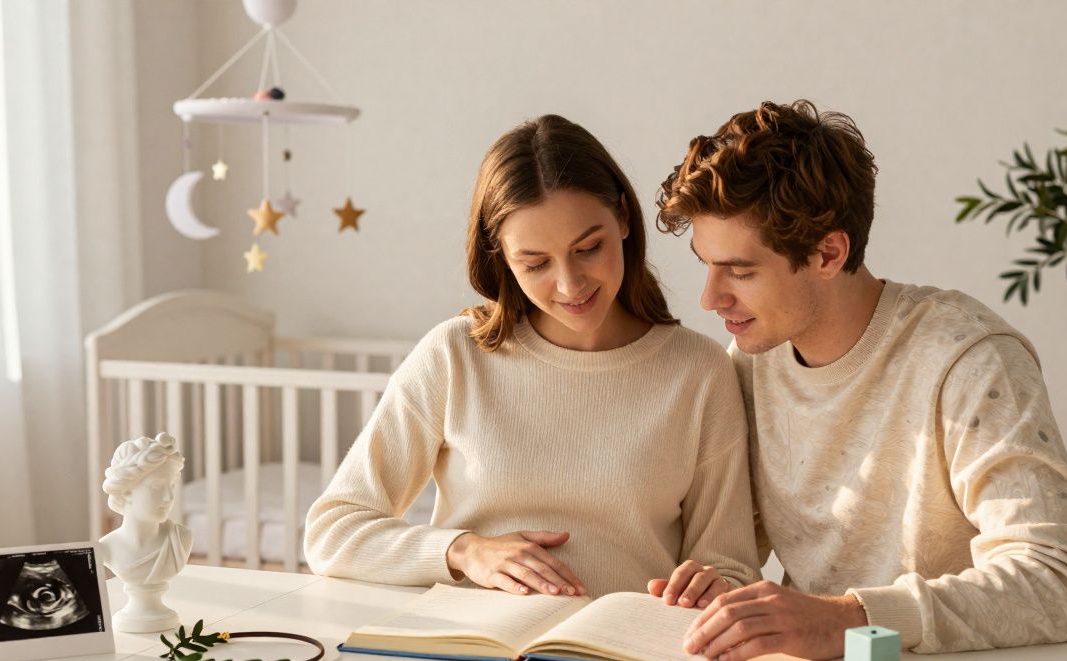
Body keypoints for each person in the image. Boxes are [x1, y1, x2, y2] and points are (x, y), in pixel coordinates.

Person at [650, 100, 1067, 661]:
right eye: (707, 265)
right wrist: (722, 585)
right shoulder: (752, 360)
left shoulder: (970, 360)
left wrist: (847, 620)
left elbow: (1062, 585)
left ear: (828, 253)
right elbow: (742, 547)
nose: (710, 299)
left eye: (741, 271)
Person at [305, 114, 759, 601]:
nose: (570, 285)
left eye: (588, 248)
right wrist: (464, 551)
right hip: (469, 652)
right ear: (500, 256)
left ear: (624, 218)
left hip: (623, 659)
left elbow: (731, 570)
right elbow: (331, 534)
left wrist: (711, 586)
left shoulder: (700, 372)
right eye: (536, 263)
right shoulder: (455, 356)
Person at [99, 432, 192, 586]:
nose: (168, 497)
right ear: (127, 491)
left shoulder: (181, 539)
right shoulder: (106, 548)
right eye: (157, 486)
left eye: (172, 486)